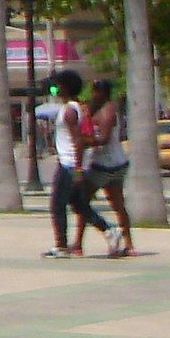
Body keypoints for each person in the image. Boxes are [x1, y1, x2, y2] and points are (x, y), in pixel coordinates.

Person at [42, 72, 110, 258]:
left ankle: (61, 246)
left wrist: (78, 168)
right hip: (71, 163)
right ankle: (110, 231)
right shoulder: (76, 108)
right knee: (78, 205)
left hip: (68, 164)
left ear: (65, 87)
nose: (54, 89)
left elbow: (78, 141)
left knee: (57, 205)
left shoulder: (70, 111)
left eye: (57, 86)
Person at [83, 76, 133, 258]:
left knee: (82, 203)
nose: (93, 94)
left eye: (96, 90)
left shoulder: (107, 110)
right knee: (118, 204)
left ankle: (78, 244)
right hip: (116, 163)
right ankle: (129, 244)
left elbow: (103, 138)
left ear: (103, 93)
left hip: (104, 165)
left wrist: (82, 142)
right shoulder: (97, 109)